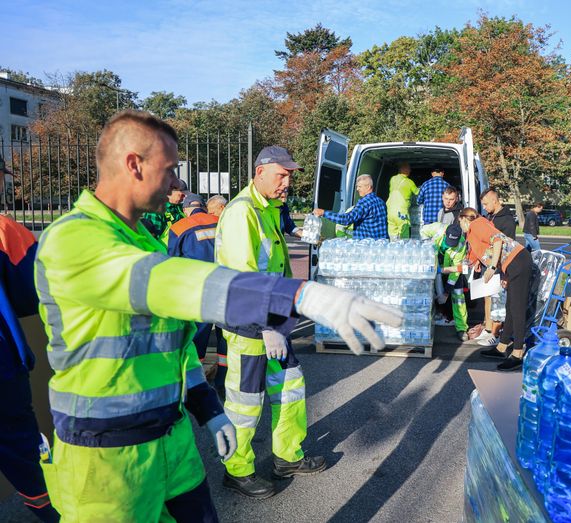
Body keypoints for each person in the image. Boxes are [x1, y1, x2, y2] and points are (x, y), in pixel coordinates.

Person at [34, 110, 402, 520]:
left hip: (171, 441)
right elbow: (174, 283)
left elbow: (173, 344)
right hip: (105, 458)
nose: (177, 184)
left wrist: (207, 408)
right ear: (133, 164)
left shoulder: (142, 238)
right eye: (170, 170)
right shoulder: (73, 237)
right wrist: (299, 294)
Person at [216, 145, 328, 496]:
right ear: (260, 172)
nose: (287, 183)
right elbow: (244, 277)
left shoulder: (269, 208)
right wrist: (266, 327)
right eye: (282, 175)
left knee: (291, 387)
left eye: (290, 176)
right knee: (245, 401)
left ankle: (287, 456)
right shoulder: (241, 213)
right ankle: (237, 470)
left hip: (273, 321)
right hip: (249, 324)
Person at [0, 215, 59, 522]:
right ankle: (53, 513)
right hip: (2, 368)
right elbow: (33, 288)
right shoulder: (4, 229)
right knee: (21, 443)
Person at [459, 207, 532, 372]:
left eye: (460, 223)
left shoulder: (477, 224)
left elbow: (497, 240)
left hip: (519, 261)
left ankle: (518, 353)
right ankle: (501, 347)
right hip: (511, 265)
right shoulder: (471, 234)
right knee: (510, 307)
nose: (461, 227)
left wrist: (492, 268)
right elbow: (470, 260)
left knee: (517, 309)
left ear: (464, 219)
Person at [167, 193, 227, 393]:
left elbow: (171, 261)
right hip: (225, 285)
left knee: (199, 334)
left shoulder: (179, 227)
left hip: (198, 289)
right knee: (223, 335)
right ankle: (223, 380)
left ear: (186, 209)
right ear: (203, 206)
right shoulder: (221, 222)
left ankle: (196, 382)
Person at [474, 188, 517, 346]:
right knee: (487, 296)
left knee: (498, 300)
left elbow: (507, 247)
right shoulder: (489, 216)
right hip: (487, 262)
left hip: (498, 265)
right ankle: (487, 329)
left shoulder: (506, 220)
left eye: (485, 203)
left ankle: (496, 334)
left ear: (494, 200)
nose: (484, 207)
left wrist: (503, 271)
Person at [421, 222, 468, 341]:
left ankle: (461, 328)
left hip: (448, 268)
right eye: (448, 242)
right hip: (433, 262)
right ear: (445, 233)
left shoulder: (461, 244)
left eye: (453, 243)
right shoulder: (437, 228)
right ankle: (428, 320)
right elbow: (423, 230)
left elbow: (456, 271)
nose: (450, 245)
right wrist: (428, 248)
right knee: (427, 291)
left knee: (458, 295)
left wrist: (446, 292)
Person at [314, 175, 388, 240]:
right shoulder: (381, 202)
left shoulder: (364, 203)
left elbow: (347, 219)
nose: (357, 189)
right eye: (357, 186)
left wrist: (324, 213)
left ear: (368, 187)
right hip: (381, 246)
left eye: (359, 186)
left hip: (367, 247)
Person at [386, 162, 419, 239]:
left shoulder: (392, 179)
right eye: (409, 169)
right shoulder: (410, 182)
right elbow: (418, 193)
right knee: (404, 235)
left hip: (390, 211)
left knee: (392, 234)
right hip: (401, 213)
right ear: (406, 170)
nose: (410, 171)